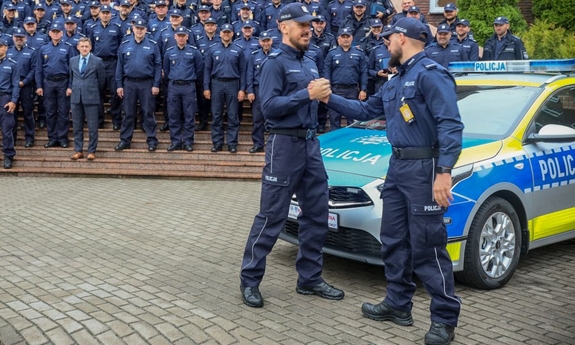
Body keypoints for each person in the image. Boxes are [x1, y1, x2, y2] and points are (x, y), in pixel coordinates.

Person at [322, 17, 463, 345]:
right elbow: (364, 109)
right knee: (393, 239)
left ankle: (444, 318)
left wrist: (444, 172)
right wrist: (328, 98)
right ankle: (398, 304)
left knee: (428, 244)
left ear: (403, 38)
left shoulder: (431, 74)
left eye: (389, 38)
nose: (385, 43)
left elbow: (451, 124)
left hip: (424, 168)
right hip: (397, 166)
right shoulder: (397, 78)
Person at [239, 3, 345, 309]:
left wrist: (322, 96)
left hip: (311, 146)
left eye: (310, 25)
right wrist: (306, 95)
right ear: (283, 27)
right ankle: (250, 280)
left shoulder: (311, 62)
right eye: (301, 25)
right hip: (283, 146)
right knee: (271, 216)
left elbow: (314, 103)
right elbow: (268, 107)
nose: (307, 29)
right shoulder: (274, 63)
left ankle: (309, 279)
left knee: (316, 215)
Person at [114, 19, 161, 151]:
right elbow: (119, 66)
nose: (139, 30)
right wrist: (119, 85)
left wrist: (156, 84)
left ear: (146, 30)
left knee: (148, 112)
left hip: (147, 83)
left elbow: (158, 66)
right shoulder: (125, 44)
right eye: (137, 28)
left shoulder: (152, 44)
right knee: (128, 113)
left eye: (142, 28)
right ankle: (125, 140)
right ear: (133, 29)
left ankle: (152, 140)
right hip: (129, 83)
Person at [203, 23, 246, 153]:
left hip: (233, 84)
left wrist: (242, 89)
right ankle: (217, 142)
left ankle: (232, 143)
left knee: (233, 115)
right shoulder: (213, 49)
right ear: (220, 33)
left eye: (228, 32)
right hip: (216, 84)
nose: (226, 34)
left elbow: (243, 70)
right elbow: (207, 69)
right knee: (216, 115)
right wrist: (206, 87)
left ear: (232, 34)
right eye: (224, 32)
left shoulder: (238, 50)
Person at [36, 23, 77, 149]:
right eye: (53, 31)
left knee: (64, 112)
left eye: (57, 31)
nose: (55, 34)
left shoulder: (68, 48)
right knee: (50, 112)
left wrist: (70, 86)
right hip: (48, 83)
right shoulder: (43, 48)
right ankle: (52, 138)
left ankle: (63, 138)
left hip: (63, 82)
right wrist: (39, 86)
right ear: (49, 33)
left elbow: (72, 69)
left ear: (62, 33)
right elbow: (39, 69)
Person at [163, 26, 204, 152]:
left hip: (188, 86)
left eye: (183, 36)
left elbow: (199, 69)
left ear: (187, 37)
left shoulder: (194, 51)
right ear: (175, 37)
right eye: (179, 35)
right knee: (173, 115)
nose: (181, 38)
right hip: (174, 86)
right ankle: (175, 141)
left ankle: (188, 141)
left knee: (189, 115)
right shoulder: (169, 52)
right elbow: (166, 69)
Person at [67, 37, 105, 161]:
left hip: (92, 97)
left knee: (92, 127)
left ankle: (91, 151)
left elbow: (102, 81)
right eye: (82, 46)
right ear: (78, 47)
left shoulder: (97, 61)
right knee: (77, 126)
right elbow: (71, 78)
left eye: (86, 46)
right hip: (76, 98)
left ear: (90, 47)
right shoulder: (72, 60)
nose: (84, 48)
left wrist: (93, 91)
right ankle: (78, 150)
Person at [324, 27, 368, 130]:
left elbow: (363, 72)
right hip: (335, 90)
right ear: (338, 39)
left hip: (352, 91)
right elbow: (327, 72)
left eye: (347, 37)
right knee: (334, 119)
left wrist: (363, 89)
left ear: (352, 38)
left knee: (352, 120)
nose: (345, 39)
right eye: (343, 37)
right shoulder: (332, 53)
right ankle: (335, 144)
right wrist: (327, 88)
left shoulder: (359, 53)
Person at [90, 4, 124, 130]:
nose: (105, 15)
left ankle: (116, 119)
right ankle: (100, 119)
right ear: (99, 14)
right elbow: (91, 46)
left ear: (111, 14)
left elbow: (121, 45)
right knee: (98, 93)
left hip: (113, 63)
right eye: (103, 13)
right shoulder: (93, 28)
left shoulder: (117, 28)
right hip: (98, 62)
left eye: (107, 13)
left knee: (115, 92)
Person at [7, 28, 37, 148]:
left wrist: (24, 82)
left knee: (28, 113)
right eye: (17, 37)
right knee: (11, 114)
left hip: (25, 87)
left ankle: (29, 138)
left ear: (26, 38)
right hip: (11, 87)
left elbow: (34, 69)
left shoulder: (31, 52)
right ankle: (11, 139)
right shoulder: (8, 52)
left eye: (21, 37)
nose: (19, 39)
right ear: (13, 38)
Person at [245, 30, 272, 153]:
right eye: (264, 41)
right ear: (260, 42)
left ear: (271, 41)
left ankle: (273, 145)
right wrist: (250, 91)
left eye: (268, 41)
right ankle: (258, 144)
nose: (266, 43)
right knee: (257, 119)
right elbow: (249, 74)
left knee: (274, 118)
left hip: (273, 90)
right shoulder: (254, 55)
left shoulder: (277, 54)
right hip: (258, 89)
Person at [0, 38, 20, 169]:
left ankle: (8, 155)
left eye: (1, 46)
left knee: (7, 130)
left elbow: (16, 85)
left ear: (6, 48)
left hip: (5, 99)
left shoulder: (12, 64)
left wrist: (13, 101)